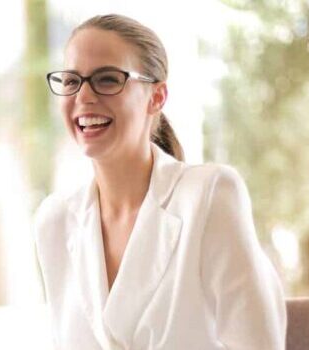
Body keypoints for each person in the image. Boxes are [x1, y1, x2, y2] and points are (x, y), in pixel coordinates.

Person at [33, 14, 287, 349]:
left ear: (157, 96)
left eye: (108, 80)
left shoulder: (209, 196)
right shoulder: (55, 220)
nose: (84, 96)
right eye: (70, 81)